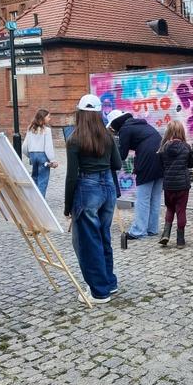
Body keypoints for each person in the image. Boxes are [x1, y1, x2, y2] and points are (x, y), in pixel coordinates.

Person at [65, 94, 122, 304]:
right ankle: (109, 282)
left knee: (89, 242)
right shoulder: (107, 136)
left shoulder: (74, 138)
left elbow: (71, 177)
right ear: (98, 114)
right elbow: (117, 164)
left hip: (87, 188)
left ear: (80, 113)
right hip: (108, 187)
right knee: (103, 236)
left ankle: (99, 292)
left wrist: (67, 206)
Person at [107, 110, 164, 241]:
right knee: (154, 197)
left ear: (116, 123)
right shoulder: (140, 124)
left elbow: (122, 155)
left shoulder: (125, 129)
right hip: (160, 158)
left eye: (112, 126)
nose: (112, 129)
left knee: (142, 198)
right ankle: (152, 229)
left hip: (147, 161)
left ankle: (138, 231)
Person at [157, 121, 193, 248]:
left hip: (168, 184)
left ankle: (166, 234)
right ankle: (180, 240)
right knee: (181, 210)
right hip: (183, 185)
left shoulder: (163, 148)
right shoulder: (186, 147)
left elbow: (161, 165)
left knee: (170, 208)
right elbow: (191, 164)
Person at [22, 108, 58, 198]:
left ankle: (32, 199)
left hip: (33, 156)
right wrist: (52, 160)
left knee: (34, 178)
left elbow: (24, 146)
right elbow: (48, 147)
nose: (50, 119)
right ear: (43, 118)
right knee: (43, 180)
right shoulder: (47, 130)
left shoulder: (30, 128)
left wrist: (30, 155)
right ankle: (40, 202)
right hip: (43, 156)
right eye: (48, 117)